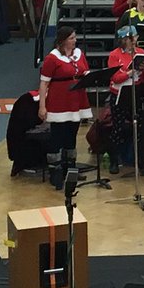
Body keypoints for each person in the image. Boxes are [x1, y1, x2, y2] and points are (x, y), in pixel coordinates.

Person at [39, 26, 94, 189]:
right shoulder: (52, 58)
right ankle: (55, 171)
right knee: (57, 136)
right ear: (63, 40)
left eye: (75, 37)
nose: (75, 40)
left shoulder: (79, 54)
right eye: (71, 38)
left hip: (77, 99)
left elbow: (86, 71)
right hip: (59, 101)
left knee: (72, 135)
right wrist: (42, 106)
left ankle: (70, 169)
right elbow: (44, 82)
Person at [106, 25, 144, 176]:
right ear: (123, 40)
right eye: (130, 38)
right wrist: (130, 72)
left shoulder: (140, 52)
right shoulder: (114, 55)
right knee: (118, 128)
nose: (134, 41)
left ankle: (142, 162)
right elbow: (115, 77)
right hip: (119, 94)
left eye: (135, 37)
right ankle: (114, 160)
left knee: (140, 128)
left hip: (136, 92)